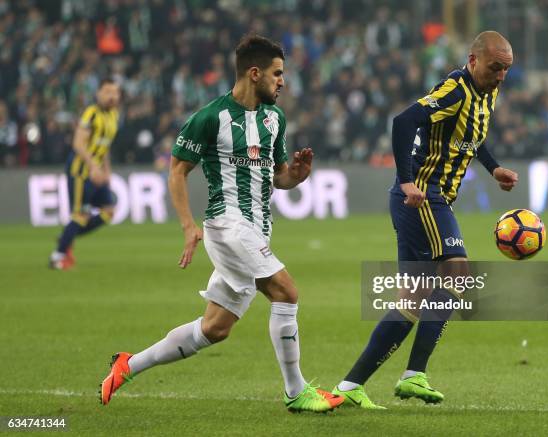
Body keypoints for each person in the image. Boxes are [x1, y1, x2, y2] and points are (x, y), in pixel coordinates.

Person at [99, 34, 344, 413]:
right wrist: (188, 225)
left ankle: (128, 365)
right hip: (228, 224)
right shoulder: (210, 117)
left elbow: (277, 176)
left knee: (215, 328)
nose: (282, 81)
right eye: (277, 74)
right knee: (286, 292)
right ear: (254, 73)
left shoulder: (274, 118)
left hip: (258, 227)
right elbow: (177, 170)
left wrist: (297, 175)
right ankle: (296, 391)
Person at [332, 31, 519, 408]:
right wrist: (405, 180)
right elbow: (403, 122)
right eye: (495, 68)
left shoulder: (488, 92)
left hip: (426, 198)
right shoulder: (455, 89)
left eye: (506, 70)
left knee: (413, 298)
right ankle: (414, 374)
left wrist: (493, 168)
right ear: (473, 60)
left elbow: (472, 136)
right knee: (458, 273)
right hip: (423, 195)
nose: (500, 76)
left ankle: (350, 387)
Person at [49, 79, 120, 270]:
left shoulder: (114, 115)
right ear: (98, 94)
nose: (111, 96)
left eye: (115, 92)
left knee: (109, 211)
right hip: (80, 172)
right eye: (107, 91)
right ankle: (57, 256)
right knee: (80, 214)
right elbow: (78, 144)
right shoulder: (91, 113)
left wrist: (107, 170)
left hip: (97, 172)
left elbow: (105, 146)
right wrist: (93, 167)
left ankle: (66, 236)